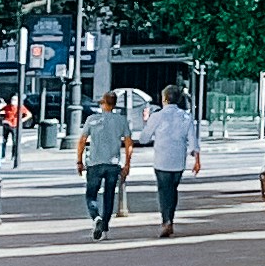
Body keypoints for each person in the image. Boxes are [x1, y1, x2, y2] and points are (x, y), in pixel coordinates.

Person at [144, 85, 202, 237]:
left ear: (164, 99)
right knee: (173, 190)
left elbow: (144, 138)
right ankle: (171, 218)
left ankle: (166, 221)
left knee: (164, 191)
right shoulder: (186, 116)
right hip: (178, 160)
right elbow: (193, 140)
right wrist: (197, 160)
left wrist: (147, 122)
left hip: (162, 159)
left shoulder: (157, 116)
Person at [78, 95, 134, 241]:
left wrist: (79, 161)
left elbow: (82, 141)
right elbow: (128, 143)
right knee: (109, 196)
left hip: (94, 163)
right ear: (114, 104)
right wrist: (127, 164)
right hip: (113, 164)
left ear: (103, 104)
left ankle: (96, 217)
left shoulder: (91, 119)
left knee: (91, 195)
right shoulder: (121, 120)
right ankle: (105, 227)